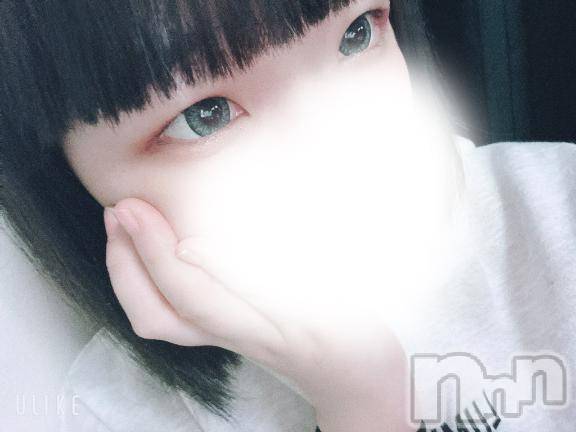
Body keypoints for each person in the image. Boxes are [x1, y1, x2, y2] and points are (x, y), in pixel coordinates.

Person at [1, 0, 574, 431]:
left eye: (356, 34)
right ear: (66, 178)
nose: (341, 148)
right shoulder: (114, 413)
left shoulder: (557, 205)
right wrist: (364, 401)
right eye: (206, 115)